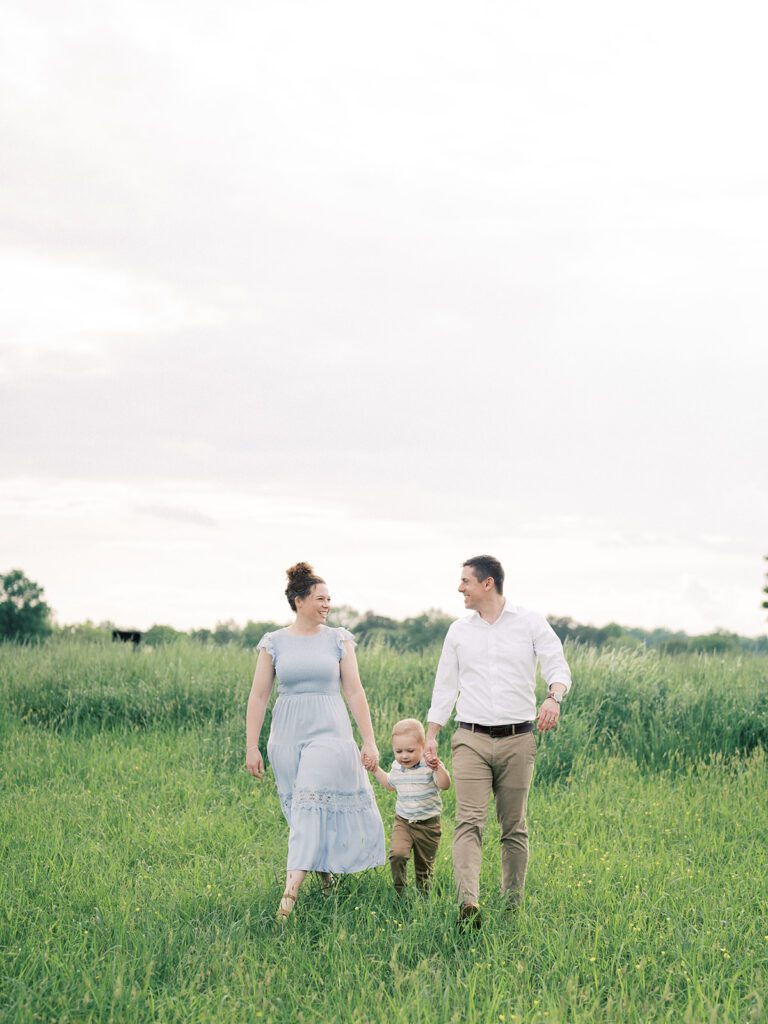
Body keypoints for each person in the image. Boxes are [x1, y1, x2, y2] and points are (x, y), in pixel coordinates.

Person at [424, 555, 571, 927]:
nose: (460, 588)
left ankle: (511, 907)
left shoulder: (530, 622)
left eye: (465, 582)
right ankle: (468, 904)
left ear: (487, 583)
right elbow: (445, 686)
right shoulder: (458, 631)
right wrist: (431, 735)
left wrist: (553, 697)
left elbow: (557, 664)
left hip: (517, 739)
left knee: (513, 826)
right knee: (468, 822)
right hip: (470, 737)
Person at [245, 562, 385, 922]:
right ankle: (326, 882)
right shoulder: (273, 643)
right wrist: (252, 746)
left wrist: (368, 741)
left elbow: (354, 691)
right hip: (287, 737)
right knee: (302, 813)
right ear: (299, 600)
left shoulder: (338, 639)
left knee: (309, 807)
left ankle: (287, 901)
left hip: (330, 733)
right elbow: (259, 696)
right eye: (321, 599)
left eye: (329, 599)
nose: (327, 605)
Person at [367, 718, 451, 895]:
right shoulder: (397, 767)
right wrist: (375, 770)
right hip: (403, 822)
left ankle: (423, 897)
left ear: (423, 747)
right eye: (398, 751)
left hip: (429, 825)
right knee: (397, 854)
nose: (404, 755)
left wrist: (438, 768)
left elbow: (444, 785)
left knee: (424, 867)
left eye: (410, 750)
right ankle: (400, 892)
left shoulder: (430, 766)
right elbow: (390, 785)